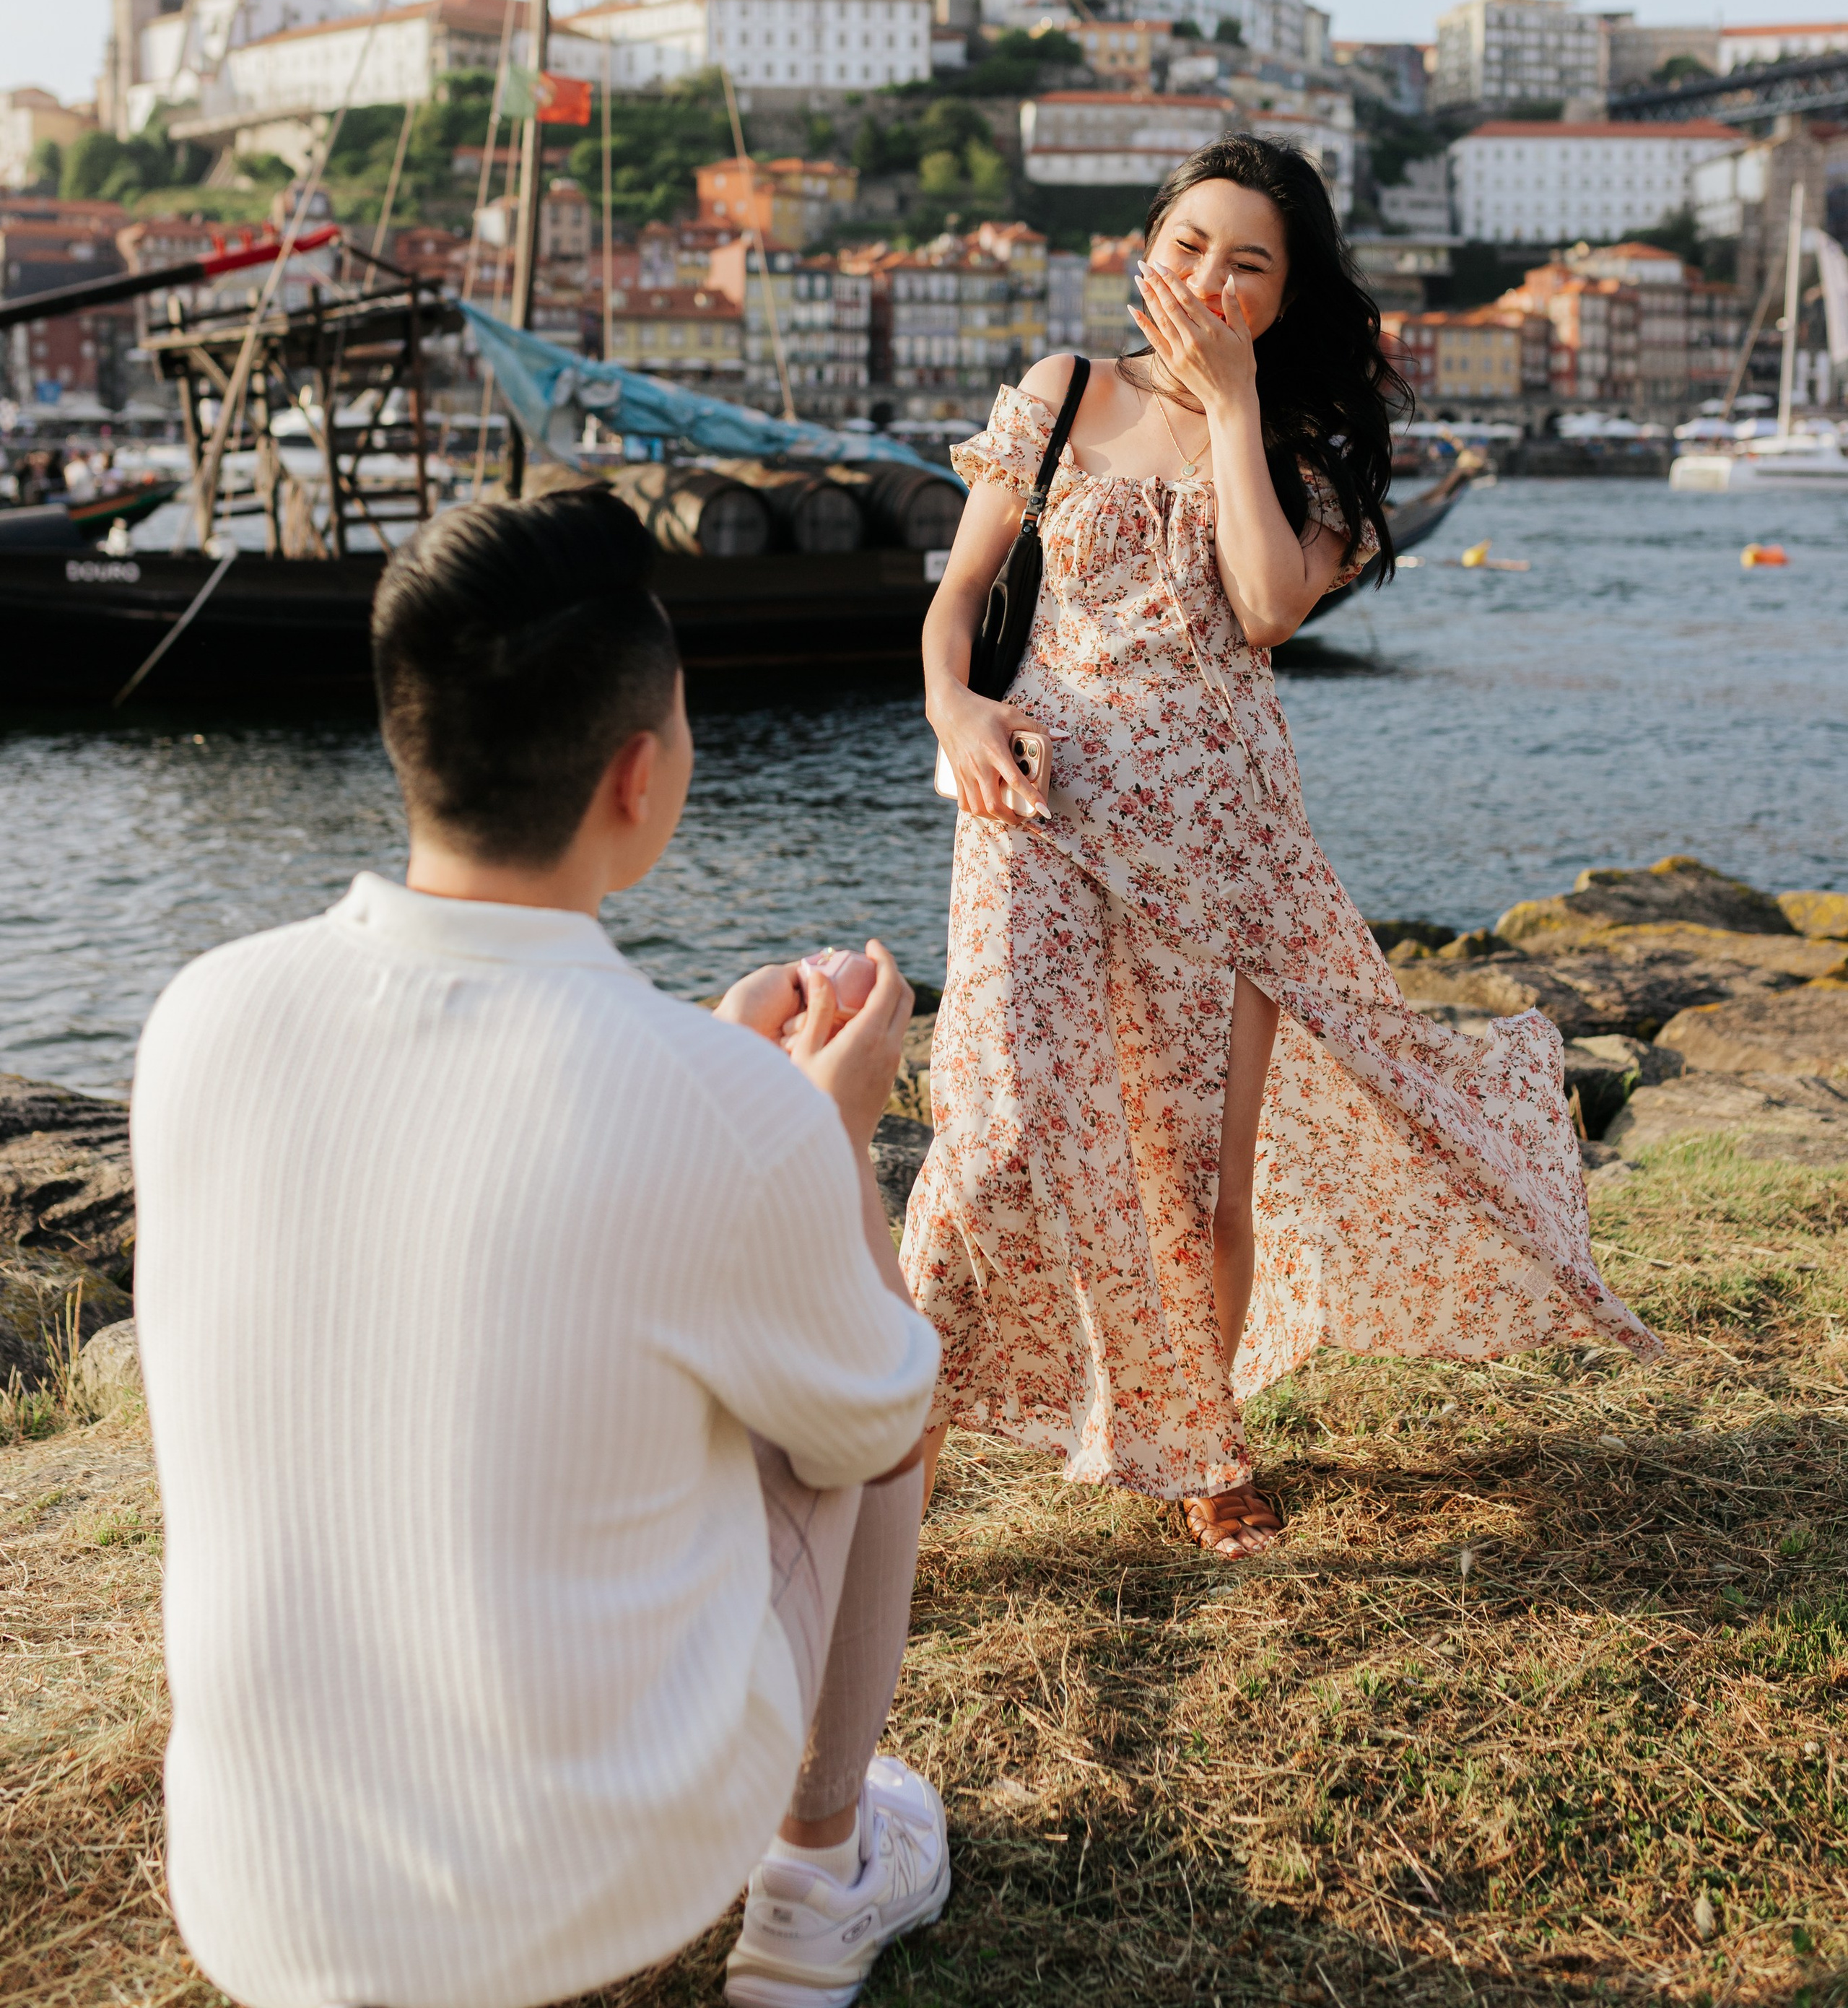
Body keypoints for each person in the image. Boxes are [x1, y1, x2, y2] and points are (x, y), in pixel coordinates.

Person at [133, 487, 949, 2008]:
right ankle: (812, 1886)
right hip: (572, 1892)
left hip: (262, 1893)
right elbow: (879, 1403)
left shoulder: (202, 1019)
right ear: (637, 775)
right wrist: (822, 1143)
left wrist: (728, 1102)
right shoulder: (723, 1117)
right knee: (857, 1419)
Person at [906, 136, 1655, 1558]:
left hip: (1221, 844)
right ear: (1145, 246)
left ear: (1283, 291)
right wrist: (955, 708)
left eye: (1246, 261)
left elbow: (1258, 610)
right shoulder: (1061, 393)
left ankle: (1203, 1441)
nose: (1206, 278)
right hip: (1039, 806)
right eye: (1188, 244)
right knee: (995, 1131)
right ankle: (903, 1430)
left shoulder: (1296, 443)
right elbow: (956, 604)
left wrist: (1236, 404)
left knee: (1199, 1176)